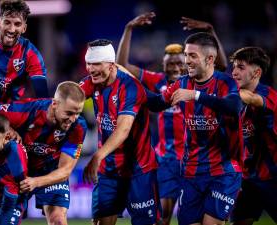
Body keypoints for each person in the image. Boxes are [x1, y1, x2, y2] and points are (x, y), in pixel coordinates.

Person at [116, 13, 229, 225]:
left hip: (196, 159)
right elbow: (122, 64)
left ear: (186, 63)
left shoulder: (196, 82)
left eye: (179, 62)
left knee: (201, 217)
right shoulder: (158, 82)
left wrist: (211, 32)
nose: (175, 68)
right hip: (167, 160)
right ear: (163, 64)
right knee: (164, 217)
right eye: (170, 64)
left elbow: (221, 67)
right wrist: (129, 29)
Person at [0, 81, 87, 225]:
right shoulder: (26, 110)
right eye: (69, 113)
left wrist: (36, 182)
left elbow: (65, 170)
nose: (73, 119)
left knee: (58, 220)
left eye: (77, 113)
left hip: (50, 172)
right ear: (55, 104)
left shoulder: (78, 126)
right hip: (19, 171)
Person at [147, 32, 243, 225]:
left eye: (192, 56)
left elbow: (234, 107)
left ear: (210, 59)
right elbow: (156, 103)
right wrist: (126, 81)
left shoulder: (225, 82)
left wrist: (195, 95)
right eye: (186, 54)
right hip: (191, 172)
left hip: (222, 171)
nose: (186, 61)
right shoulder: (181, 83)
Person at [80, 39, 160, 225]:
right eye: (88, 63)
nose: (91, 69)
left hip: (138, 169)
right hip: (108, 170)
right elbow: (69, 97)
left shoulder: (130, 87)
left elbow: (123, 129)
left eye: (96, 64)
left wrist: (97, 155)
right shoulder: (92, 82)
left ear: (111, 64)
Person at [229, 47, 277, 225]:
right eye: (234, 67)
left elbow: (253, 98)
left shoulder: (268, 95)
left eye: (240, 67)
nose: (234, 72)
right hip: (249, 179)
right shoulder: (238, 103)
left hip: (273, 178)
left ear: (257, 72)